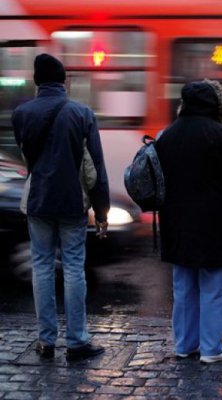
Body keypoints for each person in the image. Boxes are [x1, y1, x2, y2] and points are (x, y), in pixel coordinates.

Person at [156, 79, 222, 363]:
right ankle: (211, 348)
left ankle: (184, 344)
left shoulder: (167, 134)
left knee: (183, 287)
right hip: (213, 223)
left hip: (176, 222)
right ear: (217, 105)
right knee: (213, 287)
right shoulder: (221, 134)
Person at [12, 53, 110, 361]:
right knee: (73, 268)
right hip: (71, 203)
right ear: (64, 80)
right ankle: (78, 341)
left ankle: (46, 341)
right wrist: (102, 211)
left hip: (39, 201)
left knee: (41, 267)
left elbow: (28, 158)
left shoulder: (21, 113)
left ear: (36, 81)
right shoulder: (81, 113)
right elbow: (95, 168)